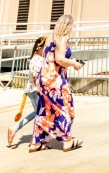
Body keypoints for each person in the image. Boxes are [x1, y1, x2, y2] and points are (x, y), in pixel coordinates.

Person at [30, 14, 84, 153]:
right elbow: (59, 59)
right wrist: (73, 63)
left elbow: (49, 58)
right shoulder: (62, 37)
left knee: (44, 110)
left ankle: (36, 143)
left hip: (44, 79)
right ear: (68, 26)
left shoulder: (50, 37)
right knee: (65, 108)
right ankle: (67, 141)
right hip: (55, 80)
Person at [7, 35, 46, 146]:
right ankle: (32, 137)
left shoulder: (40, 59)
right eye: (45, 47)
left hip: (35, 90)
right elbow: (35, 77)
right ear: (39, 48)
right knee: (39, 114)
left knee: (38, 114)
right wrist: (41, 91)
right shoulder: (36, 60)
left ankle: (35, 136)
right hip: (35, 90)